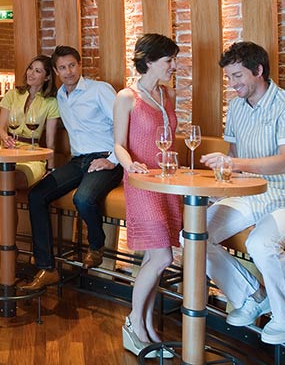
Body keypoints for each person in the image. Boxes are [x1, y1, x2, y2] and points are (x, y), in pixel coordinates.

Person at [200, 41, 285, 345]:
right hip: (250, 194)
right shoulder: (236, 107)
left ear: (258, 70)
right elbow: (233, 153)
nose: (233, 83)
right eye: (229, 77)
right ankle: (253, 295)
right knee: (193, 236)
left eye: (237, 76)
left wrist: (235, 164)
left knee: (261, 243)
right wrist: (222, 185)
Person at [20, 45, 123, 291]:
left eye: (72, 65)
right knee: (36, 195)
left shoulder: (100, 90)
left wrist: (113, 159)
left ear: (80, 65)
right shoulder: (59, 97)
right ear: (56, 71)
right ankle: (47, 268)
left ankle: (96, 246)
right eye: (62, 68)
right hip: (78, 161)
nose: (69, 72)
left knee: (83, 199)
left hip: (106, 159)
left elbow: (124, 122)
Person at [113, 33, 180, 358]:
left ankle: (147, 328)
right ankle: (133, 324)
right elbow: (118, 144)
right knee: (163, 257)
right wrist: (131, 166)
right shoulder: (127, 97)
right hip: (141, 183)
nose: (174, 66)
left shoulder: (168, 95)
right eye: (169, 60)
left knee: (155, 260)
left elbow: (169, 140)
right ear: (149, 62)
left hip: (166, 183)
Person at [0, 55, 60, 270]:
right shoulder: (12, 94)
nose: (31, 73)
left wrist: (50, 168)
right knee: (4, 184)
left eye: (38, 71)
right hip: (8, 153)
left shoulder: (51, 102)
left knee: (6, 184)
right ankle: (8, 246)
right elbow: (0, 129)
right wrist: (5, 138)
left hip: (33, 156)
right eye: (31, 68)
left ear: (47, 77)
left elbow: (50, 141)